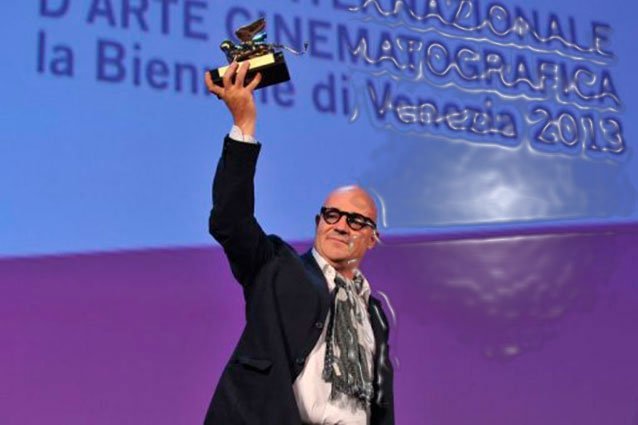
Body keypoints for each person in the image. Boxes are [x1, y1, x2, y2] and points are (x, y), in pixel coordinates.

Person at [203, 62, 394, 425]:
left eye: (355, 221)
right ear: (318, 223)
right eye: (331, 215)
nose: (340, 226)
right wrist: (244, 124)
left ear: (372, 238)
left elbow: (380, 404)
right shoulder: (277, 268)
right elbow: (230, 219)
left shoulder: (374, 314)